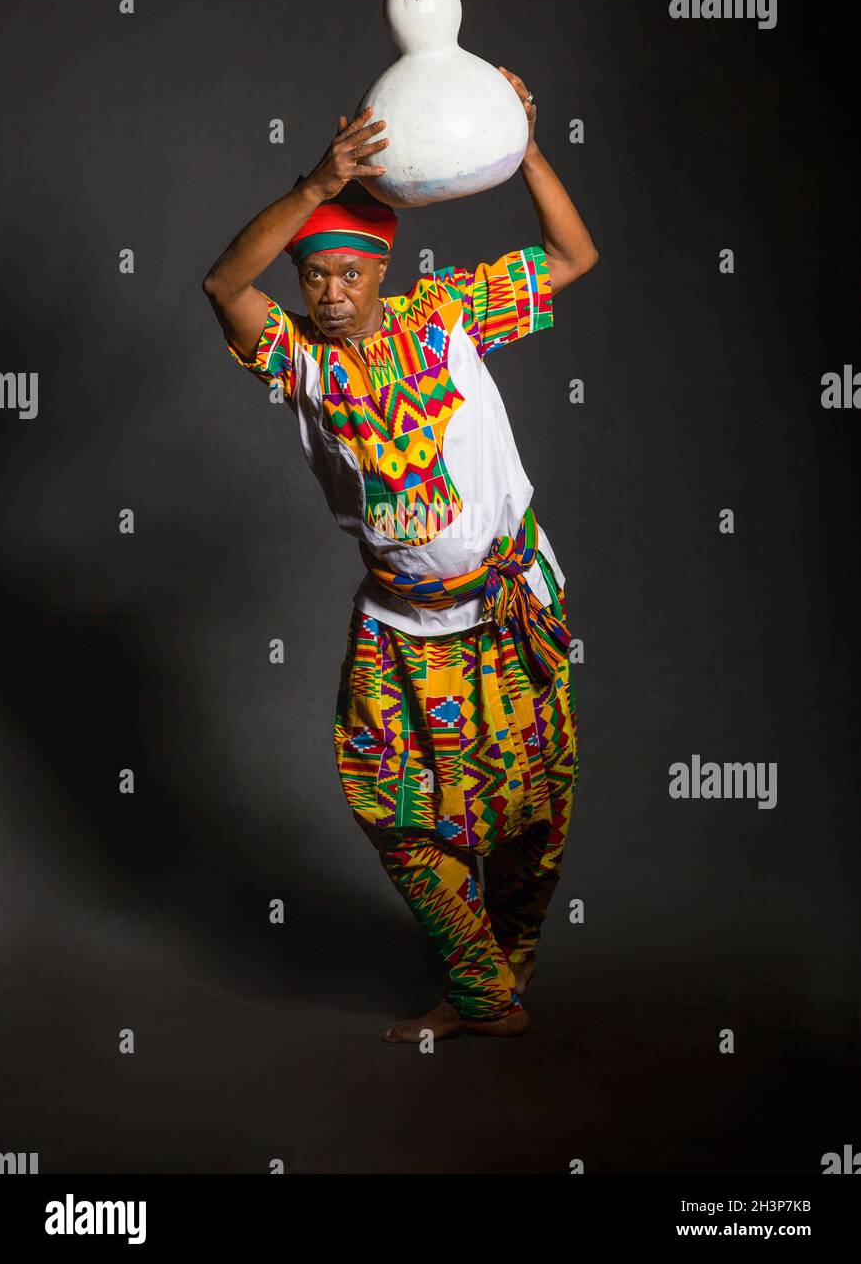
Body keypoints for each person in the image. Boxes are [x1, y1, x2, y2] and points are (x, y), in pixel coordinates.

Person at [202, 67, 598, 1043]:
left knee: (532, 811)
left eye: (349, 273)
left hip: (505, 609)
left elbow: (571, 254)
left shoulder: (449, 315)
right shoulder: (300, 361)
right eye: (314, 275)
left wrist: (522, 146)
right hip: (402, 624)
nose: (331, 293)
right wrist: (314, 182)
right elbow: (223, 285)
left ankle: (497, 984)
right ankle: (479, 983)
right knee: (390, 806)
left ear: (383, 269)